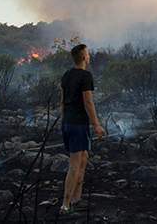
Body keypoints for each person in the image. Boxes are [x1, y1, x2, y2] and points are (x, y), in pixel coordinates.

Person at [59, 44, 105, 214]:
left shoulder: (66, 75)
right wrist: (97, 125)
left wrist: (64, 122)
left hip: (68, 123)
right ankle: (65, 204)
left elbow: (62, 102)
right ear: (84, 57)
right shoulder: (85, 76)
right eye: (88, 53)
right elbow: (88, 102)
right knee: (74, 165)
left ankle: (76, 199)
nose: (89, 56)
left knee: (84, 158)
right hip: (78, 125)